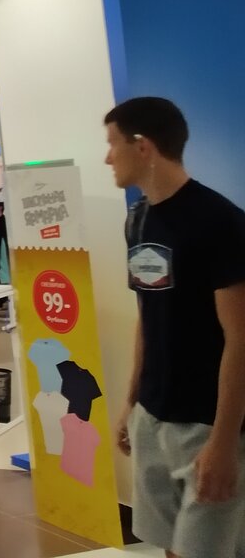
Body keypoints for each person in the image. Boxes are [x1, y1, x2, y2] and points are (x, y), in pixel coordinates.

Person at [105, 97, 245, 558]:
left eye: (113, 144)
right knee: (169, 546)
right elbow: (148, 316)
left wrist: (224, 441)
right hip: (153, 416)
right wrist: (131, 403)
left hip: (205, 424)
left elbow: (240, 339)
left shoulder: (220, 222)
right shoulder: (137, 219)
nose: (108, 157)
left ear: (142, 146)